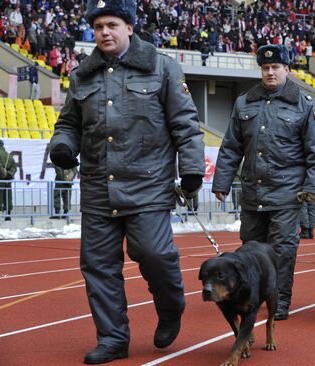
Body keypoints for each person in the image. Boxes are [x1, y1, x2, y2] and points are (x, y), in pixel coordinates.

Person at [48, 1, 206, 363]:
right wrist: (61, 147)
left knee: (155, 254)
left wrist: (192, 169)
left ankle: (170, 307)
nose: (105, 31)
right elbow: (69, 124)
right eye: (99, 25)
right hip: (98, 187)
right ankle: (113, 339)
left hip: (148, 184)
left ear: (130, 27)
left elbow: (185, 124)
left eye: (113, 24)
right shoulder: (81, 76)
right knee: (98, 266)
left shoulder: (161, 68)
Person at [211, 44, 315, 321]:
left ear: (287, 69)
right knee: (250, 249)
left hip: (287, 195)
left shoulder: (303, 105)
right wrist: (221, 183)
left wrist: (312, 189)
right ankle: (251, 296)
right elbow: (231, 147)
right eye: (265, 68)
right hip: (253, 193)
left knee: (283, 251)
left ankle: (280, 300)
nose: (270, 72)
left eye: (276, 67)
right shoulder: (244, 103)